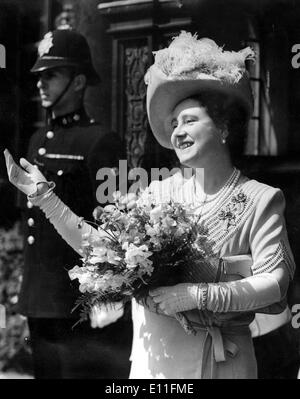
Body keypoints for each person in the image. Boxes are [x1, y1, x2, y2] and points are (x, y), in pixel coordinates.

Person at [4, 31, 295, 379]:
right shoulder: (156, 196)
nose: (177, 132)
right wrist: (45, 197)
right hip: (152, 365)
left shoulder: (260, 199)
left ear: (223, 128)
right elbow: (98, 249)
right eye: (173, 124)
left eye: (189, 120)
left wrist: (195, 295)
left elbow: (275, 283)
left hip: (221, 365)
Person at [11, 27, 132, 379]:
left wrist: (111, 294)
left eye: (52, 75)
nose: (41, 83)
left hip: (79, 305)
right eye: (39, 75)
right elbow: (33, 226)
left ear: (78, 82)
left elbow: (115, 226)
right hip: (41, 300)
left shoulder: (102, 141)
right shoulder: (37, 140)